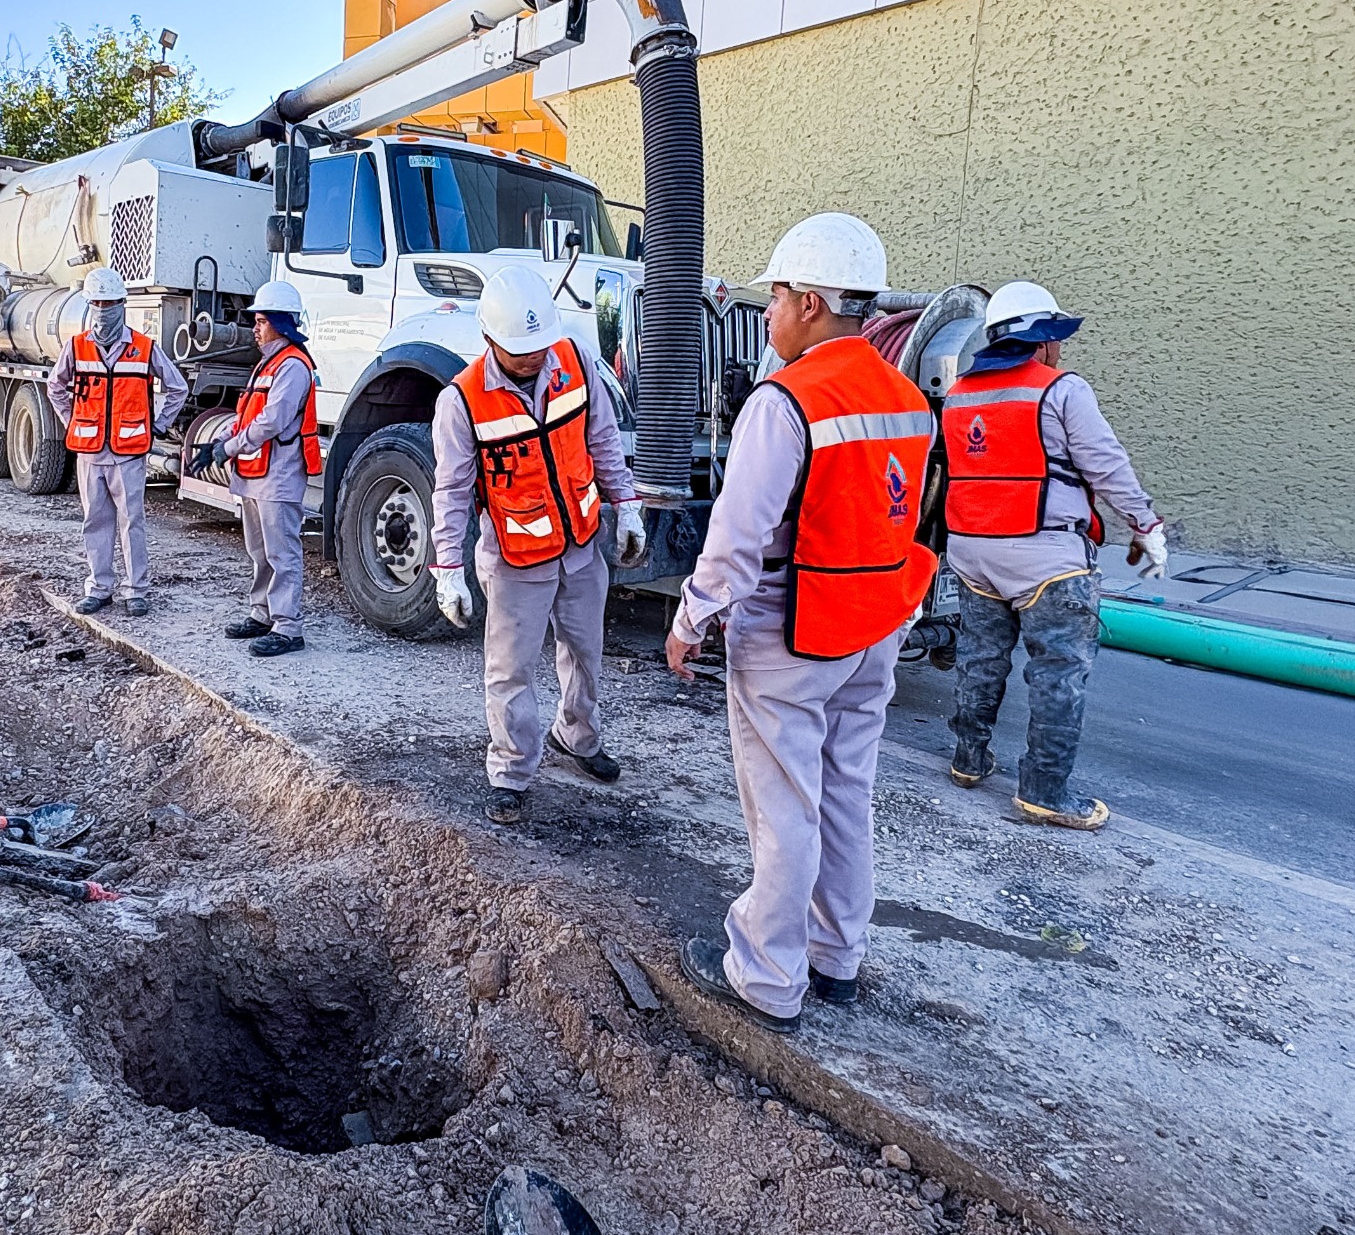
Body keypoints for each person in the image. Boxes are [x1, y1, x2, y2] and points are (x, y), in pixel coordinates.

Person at [666, 214, 936, 1033]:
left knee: (785, 804)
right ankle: (837, 959)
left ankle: (767, 977)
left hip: (793, 628)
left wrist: (691, 619)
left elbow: (739, 534)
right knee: (846, 793)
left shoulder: (787, 401)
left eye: (778, 294)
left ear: (811, 303)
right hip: (874, 624)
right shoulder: (907, 398)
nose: (772, 310)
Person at [941, 280, 1164, 831]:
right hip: (1047, 559)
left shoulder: (960, 393)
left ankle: (969, 761)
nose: (1060, 350)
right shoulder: (1061, 390)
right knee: (1058, 674)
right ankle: (1044, 792)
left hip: (972, 553)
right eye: (1056, 338)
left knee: (979, 659)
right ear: (1040, 341)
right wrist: (1146, 525)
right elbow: (1105, 466)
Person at [429, 267, 646, 826]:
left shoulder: (573, 361)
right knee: (510, 670)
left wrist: (627, 505)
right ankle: (511, 769)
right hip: (515, 557)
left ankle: (577, 736)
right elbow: (451, 489)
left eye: (538, 346)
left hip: (579, 543)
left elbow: (601, 438)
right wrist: (447, 567)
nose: (533, 358)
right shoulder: (463, 401)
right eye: (520, 350)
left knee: (585, 651)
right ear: (489, 340)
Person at [48, 266, 186, 618]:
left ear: (122, 304)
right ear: (89, 305)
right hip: (91, 452)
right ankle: (99, 589)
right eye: (96, 302)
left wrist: (158, 426)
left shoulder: (143, 347)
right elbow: (55, 388)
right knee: (95, 521)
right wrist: (73, 422)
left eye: (109, 303)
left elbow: (177, 387)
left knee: (131, 522)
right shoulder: (76, 347)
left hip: (129, 453)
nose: (103, 309)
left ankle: (136, 590)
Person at [194, 280, 318, 658]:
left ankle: (287, 627)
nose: (255, 328)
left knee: (282, 553)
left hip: (278, 475)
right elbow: (248, 413)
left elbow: (272, 420)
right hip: (256, 473)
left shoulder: (293, 366)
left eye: (261, 320)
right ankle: (262, 614)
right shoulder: (268, 365)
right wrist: (221, 442)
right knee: (260, 551)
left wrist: (228, 447)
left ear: (281, 323)